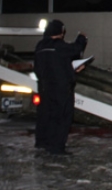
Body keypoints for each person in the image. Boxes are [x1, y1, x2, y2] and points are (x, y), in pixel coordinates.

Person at [34, 19, 88, 155]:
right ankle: (57, 147)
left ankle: (42, 142)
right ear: (60, 32)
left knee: (45, 115)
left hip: (45, 87)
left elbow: (52, 64)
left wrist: (70, 68)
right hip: (61, 89)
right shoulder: (59, 46)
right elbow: (76, 48)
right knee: (62, 117)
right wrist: (82, 37)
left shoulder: (40, 46)